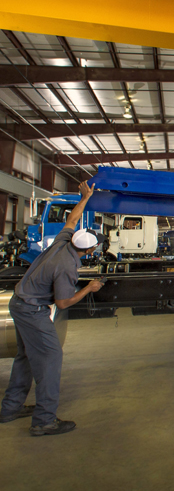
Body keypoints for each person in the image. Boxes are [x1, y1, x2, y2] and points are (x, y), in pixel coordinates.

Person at [0, 181, 106, 436]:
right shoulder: (67, 266)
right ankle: (44, 420)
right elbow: (62, 303)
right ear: (89, 249)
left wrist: (85, 198)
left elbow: (71, 219)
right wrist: (88, 289)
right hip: (32, 311)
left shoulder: (62, 242)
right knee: (50, 358)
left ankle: (10, 408)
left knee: (25, 355)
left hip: (20, 303)